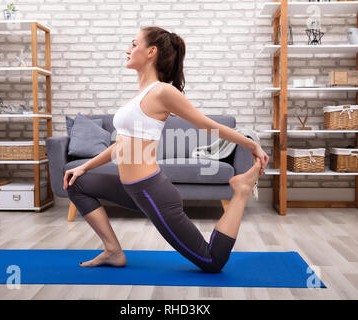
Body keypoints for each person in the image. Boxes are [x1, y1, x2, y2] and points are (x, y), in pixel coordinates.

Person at [63, 26, 269, 273]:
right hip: (131, 189)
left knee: (211, 262)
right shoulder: (140, 95)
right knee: (76, 183)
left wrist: (250, 142)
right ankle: (113, 251)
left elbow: (206, 124)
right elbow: (122, 145)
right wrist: (83, 167)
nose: (128, 50)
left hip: (151, 191)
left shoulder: (162, 91)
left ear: (151, 51)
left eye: (134, 44)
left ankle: (242, 190)